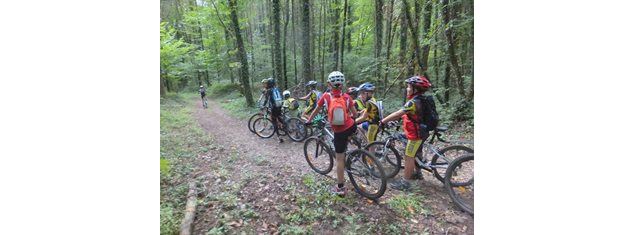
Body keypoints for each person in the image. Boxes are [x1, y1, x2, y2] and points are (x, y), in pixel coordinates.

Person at [305, 71, 357, 197]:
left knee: (339, 159)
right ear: (342, 83)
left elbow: (316, 110)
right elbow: (355, 115)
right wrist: (347, 116)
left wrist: (309, 121)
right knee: (350, 129)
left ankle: (340, 188)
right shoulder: (347, 97)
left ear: (329, 84)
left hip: (338, 131)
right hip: (351, 127)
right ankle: (354, 147)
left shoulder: (326, 97)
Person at [379, 75, 433, 191]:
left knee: (409, 156)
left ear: (415, 89)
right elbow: (411, 115)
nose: (407, 89)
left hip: (415, 135)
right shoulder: (422, 99)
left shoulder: (412, 102)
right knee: (417, 152)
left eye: (409, 87)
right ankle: (418, 173)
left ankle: (405, 183)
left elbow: (399, 113)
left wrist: (383, 121)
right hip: (421, 132)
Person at [355, 83, 381, 147]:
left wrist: (353, 122)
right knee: (371, 142)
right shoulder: (372, 100)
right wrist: (362, 111)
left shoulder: (369, 103)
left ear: (369, 93)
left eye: (363, 93)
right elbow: (368, 109)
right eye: (361, 93)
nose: (361, 95)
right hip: (376, 123)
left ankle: (370, 156)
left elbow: (363, 117)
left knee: (370, 145)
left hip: (372, 125)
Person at [262, 78, 286, 143]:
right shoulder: (277, 89)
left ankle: (279, 137)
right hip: (280, 105)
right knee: (278, 116)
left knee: (274, 121)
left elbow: (266, 100)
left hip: (274, 107)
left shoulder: (269, 90)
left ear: (269, 84)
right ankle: (286, 127)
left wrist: (263, 105)